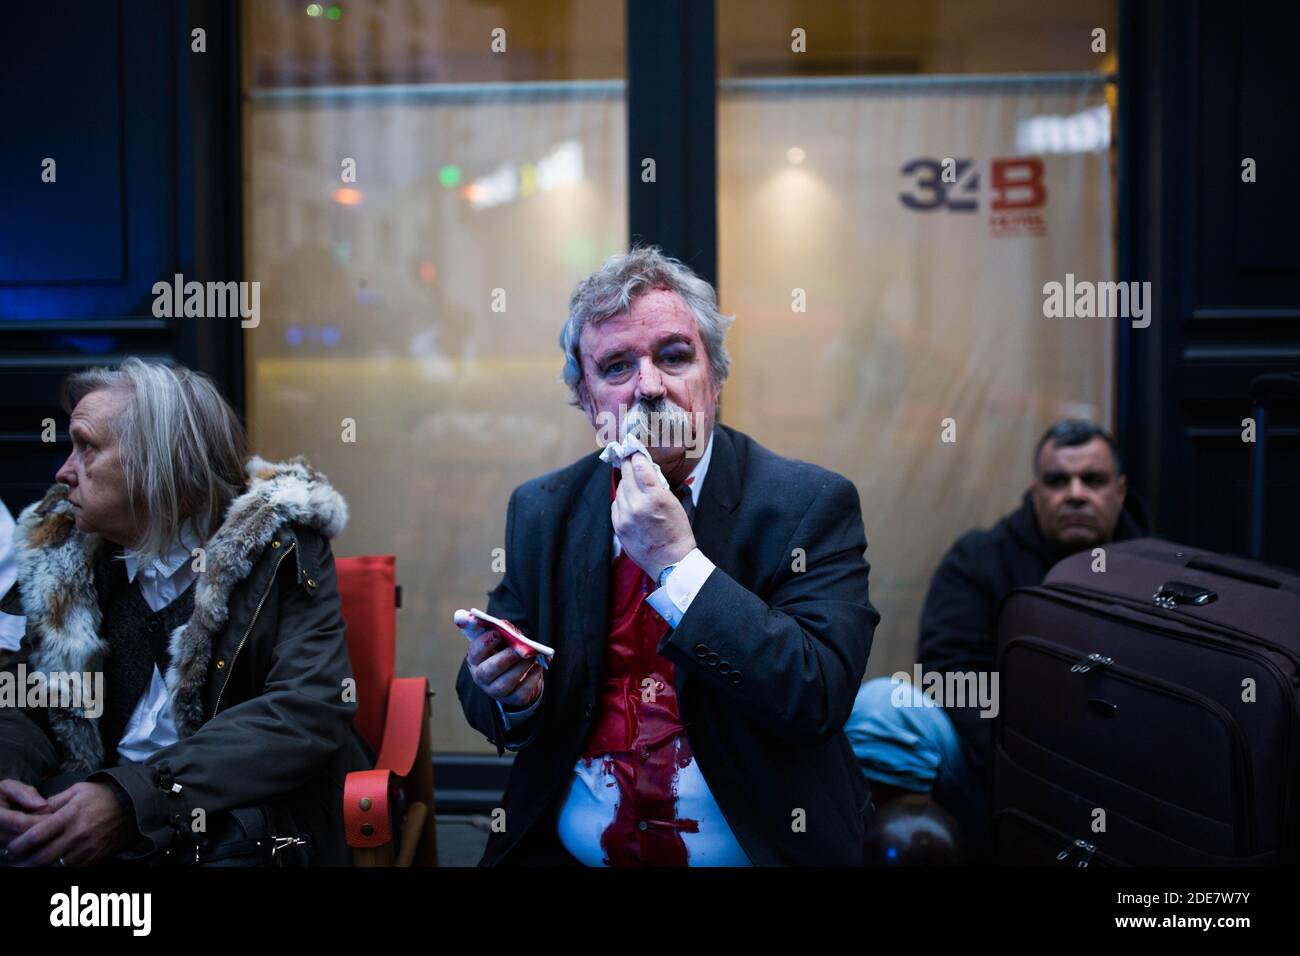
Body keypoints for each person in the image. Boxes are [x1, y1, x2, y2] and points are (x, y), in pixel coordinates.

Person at [455, 247, 881, 866]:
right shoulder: (543, 509)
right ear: (587, 395)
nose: (649, 387)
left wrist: (677, 564)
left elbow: (815, 696)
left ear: (716, 375)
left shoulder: (807, 505)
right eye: (617, 366)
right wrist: (509, 693)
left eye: (674, 357)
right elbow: (486, 688)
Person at [0, 359, 368, 866]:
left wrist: (133, 799)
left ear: (160, 460)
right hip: (84, 806)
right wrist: (7, 779)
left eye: (86, 447)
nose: (63, 473)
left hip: (238, 820)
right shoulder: (59, 551)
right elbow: (21, 698)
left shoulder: (280, 546)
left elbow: (306, 710)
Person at [846, 419, 1150, 859]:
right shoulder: (978, 561)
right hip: (1001, 775)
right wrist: (1035, 768)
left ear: (1120, 491)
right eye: (1058, 480)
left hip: (1126, 787)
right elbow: (950, 678)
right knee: (880, 709)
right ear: (1036, 491)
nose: (1076, 493)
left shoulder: (1158, 573)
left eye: (1094, 480)